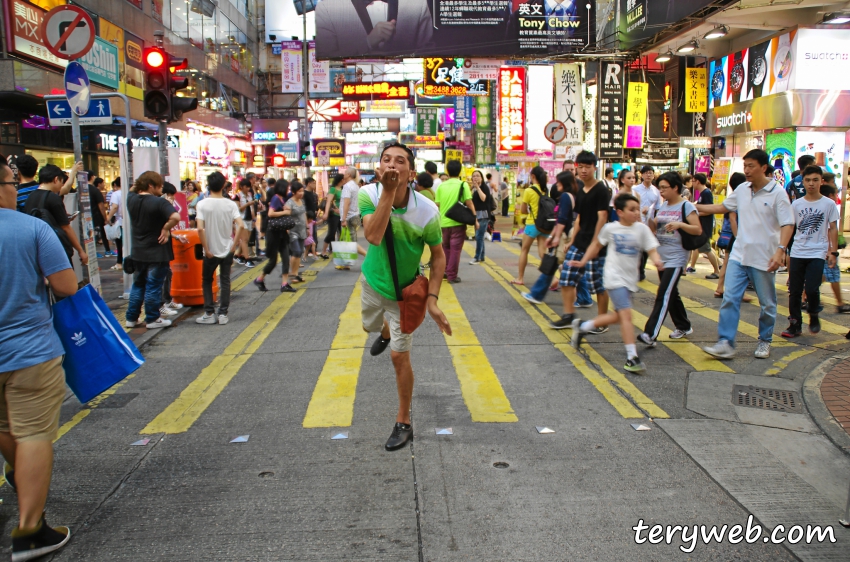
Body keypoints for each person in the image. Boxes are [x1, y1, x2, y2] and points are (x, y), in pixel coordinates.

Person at [0, 156, 77, 561]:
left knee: (3, 426)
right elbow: (66, 286)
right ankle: (30, 530)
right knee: (32, 433)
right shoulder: (31, 228)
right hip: (29, 350)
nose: (17, 190)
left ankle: (20, 475)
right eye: (13, 183)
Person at [359, 141, 451, 451]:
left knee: (400, 357)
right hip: (372, 284)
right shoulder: (368, 195)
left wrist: (433, 299)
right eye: (387, 160)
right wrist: (387, 192)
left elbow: (438, 256)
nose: (393, 165)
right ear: (378, 168)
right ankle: (382, 329)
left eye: (400, 161)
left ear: (411, 172)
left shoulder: (427, 210)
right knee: (367, 326)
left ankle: (403, 421)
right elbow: (372, 236)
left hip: (404, 294)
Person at [698, 149, 794, 359]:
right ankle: (725, 342)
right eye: (745, 166)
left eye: (751, 166)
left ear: (763, 167)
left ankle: (764, 340)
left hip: (764, 257)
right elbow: (723, 207)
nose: (747, 170)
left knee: (767, 303)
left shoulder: (777, 193)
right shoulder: (742, 189)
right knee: (730, 298)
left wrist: (781, 251)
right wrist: (693, 207)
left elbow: (788, 223)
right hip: (739, 254)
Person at [569, 194, 663, 373]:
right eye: (632, 210)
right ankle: (631, 357)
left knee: (618, 316)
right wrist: (582, 262)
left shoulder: (642, 229)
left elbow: (652, 249)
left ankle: (583, 327)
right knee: (627, 316)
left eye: (637, 209)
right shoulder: (610, 228)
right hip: (613, 277)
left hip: (630, 280)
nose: (637, 213)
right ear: (619, 212)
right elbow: (596, 246)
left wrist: (657, 261)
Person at [636, 172, 700, 346]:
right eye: (660, 188)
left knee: (663, 294)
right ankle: (684, 325)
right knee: (671, 294)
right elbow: (655, 226)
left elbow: (697, 229)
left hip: (677, 259)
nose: (661, 191)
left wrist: (680, 224)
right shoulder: (663, 207)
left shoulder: (686, 207)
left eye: (664, 187)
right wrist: (648, 217)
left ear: (675, 187)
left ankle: (650, 334)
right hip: (662, 257)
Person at [550, 151, 610, 330]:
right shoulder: (581, 190)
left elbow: (603, 217)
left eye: (587, 167)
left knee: (598, 284)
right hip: (579, 242)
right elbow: (580, 219)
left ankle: (602, 321)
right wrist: (571, 240)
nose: (583, 170)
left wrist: (596, 242)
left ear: (594, 168)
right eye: (580, 167)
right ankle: (568, 315)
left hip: (596, 244)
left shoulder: (601, 190)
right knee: (567, 276)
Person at [780, 166, 839, 337]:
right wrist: (783, 249)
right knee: (795, 290)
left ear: (821, 181)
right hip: (798, 251)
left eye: (815, 180)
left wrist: (833, 252)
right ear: (803, 182)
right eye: (807, 180)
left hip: (818, 252)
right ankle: (795, 324)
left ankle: (813, 313)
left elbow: (833, 228)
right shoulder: (796, 204)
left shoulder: (829, 204)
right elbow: (790, 228)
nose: (811, 184)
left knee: (812, 289)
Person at [124, 171, 180, 330]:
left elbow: (132, 189)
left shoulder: (131, 199)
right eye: (159, 185)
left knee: (138, 285)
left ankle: (131, 318)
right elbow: (175, 217)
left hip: (138, 251)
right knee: (153, 286)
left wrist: (140, 182)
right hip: (157, 251)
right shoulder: (159, 202)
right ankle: (152, 318)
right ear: (150, 185)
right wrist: (166, 229)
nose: (162, 189)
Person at [196, 171, 244, 325]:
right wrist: (234, 245)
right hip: (227, 248)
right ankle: (223, 314)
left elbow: (200, 229)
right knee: (225, 280)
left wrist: (207, 249)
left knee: (207, 280)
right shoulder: (230, 204)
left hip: (210, 251)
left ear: (208, 185)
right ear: (224, 185)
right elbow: (241, 225)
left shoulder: (202, 204)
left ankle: (209, 313)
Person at [522, 171, 577, 304]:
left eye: (558, 182)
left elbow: (562, 219)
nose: (556, 184)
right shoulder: (573, 196)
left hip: (563, 235)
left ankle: (536, 294)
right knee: (569, 266)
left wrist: (555, 236)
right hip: (567, 233)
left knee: (551, 264)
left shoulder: (564, 197)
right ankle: (584, 297)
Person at [315, 0, 433, 58]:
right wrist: (367, 43)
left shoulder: (417, 4)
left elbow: (429, 52)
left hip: (406, 89)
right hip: (350, 90)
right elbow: (324, 59)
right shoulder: (328, 7)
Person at [23, 164, 88, 267]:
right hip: (56, 249)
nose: (61, 186)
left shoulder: (31, 196)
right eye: (62, 182)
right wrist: (81, 250)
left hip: (37, 249)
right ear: (56, 179)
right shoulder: (53, 198)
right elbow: (66, 228)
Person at [255, 180, 300, 293]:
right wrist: (285, 213)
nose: (288, 190)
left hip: (281, 233)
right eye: (287, 188)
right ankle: (260, 279)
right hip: (273, 233)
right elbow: (270, 213)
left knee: (285, 257)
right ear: (282, 188)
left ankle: (284, 284)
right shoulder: (276, 198)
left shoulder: (281, 199)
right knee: (273, 260)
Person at [435, 160, 476, 284]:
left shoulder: (441, 186)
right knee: (455, 250)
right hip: (458, 223)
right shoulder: (463, 185)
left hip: (443, 223)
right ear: (460, 171)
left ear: (447, 171)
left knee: (445, 248)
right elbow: (469, 203)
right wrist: (474, 218)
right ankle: (452, 276)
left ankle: (446, 272)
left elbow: (437, 205)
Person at [714, 172, 752, 303]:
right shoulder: (738, 198)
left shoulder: (732, 197)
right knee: (738, 265)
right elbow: (733, 219)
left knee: (727, 262)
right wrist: (738, 238)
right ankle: (737, 292)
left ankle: (720, 287)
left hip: (729, 235)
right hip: (735, 236)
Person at [510, 166, 550, 285]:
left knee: (524, 250)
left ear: (533, 177)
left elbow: (523, 210)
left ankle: (520, 278)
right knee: (543, 253)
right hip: (544, 225)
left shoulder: (529, 190)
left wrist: (530, 212)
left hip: (532, 224)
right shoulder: (546, 190)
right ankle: (553, 278)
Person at [818, 181, 850, 314]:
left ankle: (805, 297)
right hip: (827, 249)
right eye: (836, 194)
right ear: (830, 195)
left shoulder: (821, 207)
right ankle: (840, 303)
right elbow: (831, 230)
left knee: (820, 276)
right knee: (833, 275)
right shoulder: (829, 208)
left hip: (822, 249)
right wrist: (832, 250)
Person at [686, 173, 721, 278]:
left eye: (693, 181)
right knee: (703, 248)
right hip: (702, 225)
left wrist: (696, 213)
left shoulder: (706, 193)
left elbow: (709, 210)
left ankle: (716, 271)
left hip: (705, 226)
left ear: (697, 181)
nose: (692, 183)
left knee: (707, 250)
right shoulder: (702, 193)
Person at [634, 165, 660, 281]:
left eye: (651, 173)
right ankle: (638, 271)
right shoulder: (635, 189)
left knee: (646, 248)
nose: (649, 175)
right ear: (642, 175)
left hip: (649, 223)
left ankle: (641, 269)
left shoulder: (656, 191)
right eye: (646, 173)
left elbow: (658, 208)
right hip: (636, 222)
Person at [339, 167, 368, 270]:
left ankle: (368, 256)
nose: (344, 174)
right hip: (355, 216)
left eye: (346, 172)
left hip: (349, 217)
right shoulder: (356, 186)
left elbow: (346, 203)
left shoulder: (347, 186)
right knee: (346, 240)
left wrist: (343, 219)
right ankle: (346, 263)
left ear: (349, 175)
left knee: (351, 242)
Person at [469, 170, 493, 265]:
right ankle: (481, 256)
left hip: (483, 215)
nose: (475, 178)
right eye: (474, 176)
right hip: (476, 215)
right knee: (480, 236)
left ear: (481, 178)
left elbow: (483, 198)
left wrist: (478, 187)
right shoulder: (474, 188)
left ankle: (477, 257)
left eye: (478, 176)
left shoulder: (484, 187)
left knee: (479, 236)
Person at [233, 179, 259, 267]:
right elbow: (238, 209)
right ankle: (247, 259)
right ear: (242, 187)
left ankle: (236, 255)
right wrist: (248, 204)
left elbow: (253, 207)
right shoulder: (237, 196)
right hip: (241, 219)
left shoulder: (250, 195)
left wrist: (254, 219)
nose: (248, 188)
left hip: (249, 219)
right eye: (246, 187)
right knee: (244, 240)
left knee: (246, 240)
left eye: (249, 187)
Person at [321, 173, 344, 259]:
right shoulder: (333, 189)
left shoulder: (341, 189)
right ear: (341, 180)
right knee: (331, 233)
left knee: (341, 233)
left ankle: (336, 250)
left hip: (340, 214)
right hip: (333, 214)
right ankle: (323, 251)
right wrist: (326, 213)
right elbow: (328, 201)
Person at [88, 173, 110, 256]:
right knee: (101, 234)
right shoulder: (95, 191)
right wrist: (105, 218)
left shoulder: (80, 189)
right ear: (92, 177)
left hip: (87, 217)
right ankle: (107, 250)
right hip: (97, 217)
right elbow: (101, 206)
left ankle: (93, 252)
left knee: (90, 235)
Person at [106, 178, 124, 270]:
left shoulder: (115, 194)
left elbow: (114, 207)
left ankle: (119, 262)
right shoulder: (128, 193)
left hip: (119, 222)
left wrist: (108, 218)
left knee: (119, 243)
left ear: (116, 185)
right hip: (127, 222)